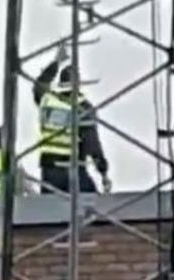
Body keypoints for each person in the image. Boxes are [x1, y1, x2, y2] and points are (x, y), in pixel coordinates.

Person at [32, 43, 111, 194]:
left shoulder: (47, 100)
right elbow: (92, 144)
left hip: (49, 171)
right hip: (74, 169)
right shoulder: (83, 107)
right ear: (78, 84)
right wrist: (103, 172)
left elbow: (40, 83)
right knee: (92, 208)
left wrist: (56, 61)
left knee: (50, 212)